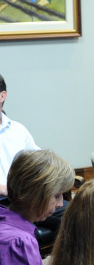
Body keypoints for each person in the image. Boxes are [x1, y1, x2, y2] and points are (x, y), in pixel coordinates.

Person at [0, 74, 68, 233]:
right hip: (4, 203)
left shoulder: (17, 130)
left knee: (80, 216)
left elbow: (42, 164)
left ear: (2, 95)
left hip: (31, 198)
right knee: (18, 234)